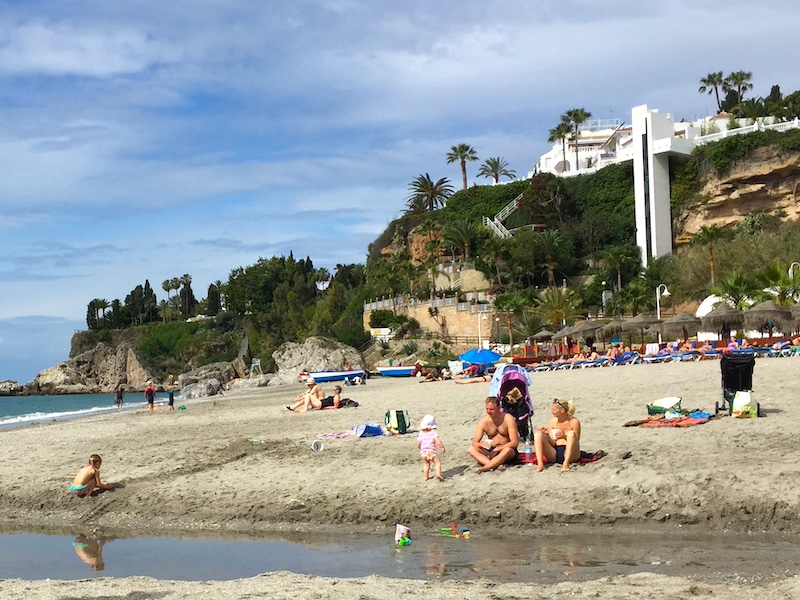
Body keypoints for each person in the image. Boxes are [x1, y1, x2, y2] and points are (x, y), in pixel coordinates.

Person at [467, 397, 519, 473]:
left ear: (499, 408)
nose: (489, 411)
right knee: (471, 449)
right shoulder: (484, 421)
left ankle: (486, 467)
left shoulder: (508, 419)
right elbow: (475, 442)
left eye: (492, 409)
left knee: (507, 450)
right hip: (491, 450)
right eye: (487, 409)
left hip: (505, 449)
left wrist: (497, 449)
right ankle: (496, 465)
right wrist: (482, 444)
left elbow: (514, 443)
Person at [534, 399, 581, 473]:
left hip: (571, 452)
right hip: (555, 451)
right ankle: (540, 463)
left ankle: (566, 463)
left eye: (554, 409)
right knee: (538, 435)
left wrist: (564, 436)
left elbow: (576, 440)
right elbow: (552, 443)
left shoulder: (574, 422)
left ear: (562, 410)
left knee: (571, 434)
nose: (552, 411)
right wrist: (547, 435)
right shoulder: (552, 421)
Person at [417, 414, 446, 481]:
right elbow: (437, 440)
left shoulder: (421, 433)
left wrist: (419, 448)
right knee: (437, 463)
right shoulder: (433, 432)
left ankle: (425, 477)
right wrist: (442, 447)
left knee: (426, 464)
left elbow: (419, 443)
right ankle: (438, 474)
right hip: (431, 452)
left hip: (424, 452)